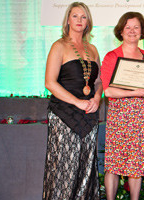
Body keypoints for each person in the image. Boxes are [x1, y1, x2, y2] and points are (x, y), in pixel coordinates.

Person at [43, 2, 102, 199]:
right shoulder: (58, 46)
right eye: (75, 16)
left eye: (83, 17)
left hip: (89, 117)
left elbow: (99, 82)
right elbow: (50, 83)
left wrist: (96, 98)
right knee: (63, 172)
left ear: (88, 22)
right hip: (64, 115)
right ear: (68, 19)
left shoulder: (93, 49)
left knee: (86, 171)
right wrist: (77, 102)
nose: (79, 20)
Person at [100, 12, 144, 200]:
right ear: (121, 31)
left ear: (142, 31)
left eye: (136, 27)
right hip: (119, 118)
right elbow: (108, 92)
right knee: (113, 165)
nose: (132, 31)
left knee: (136, 166)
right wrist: (134, 93)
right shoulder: (112, 56)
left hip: (141, 118)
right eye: (128, 27)